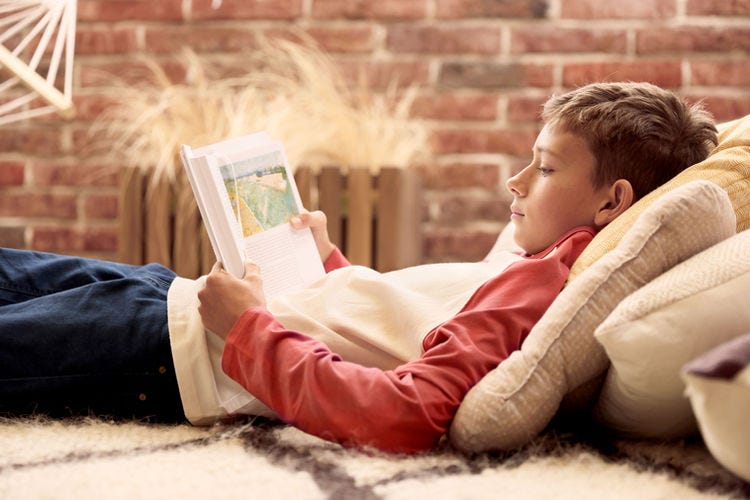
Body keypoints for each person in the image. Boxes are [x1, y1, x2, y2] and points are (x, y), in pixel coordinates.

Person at [0, 82, 717, 453]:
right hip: (170, 298)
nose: (516, 181)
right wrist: (328, 262)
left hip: (169, 350)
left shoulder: (547, 288)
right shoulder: (539, 265)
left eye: (546, 167)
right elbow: (398, 327)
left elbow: (399, 413)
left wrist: (247, 329)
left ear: (612, 200)